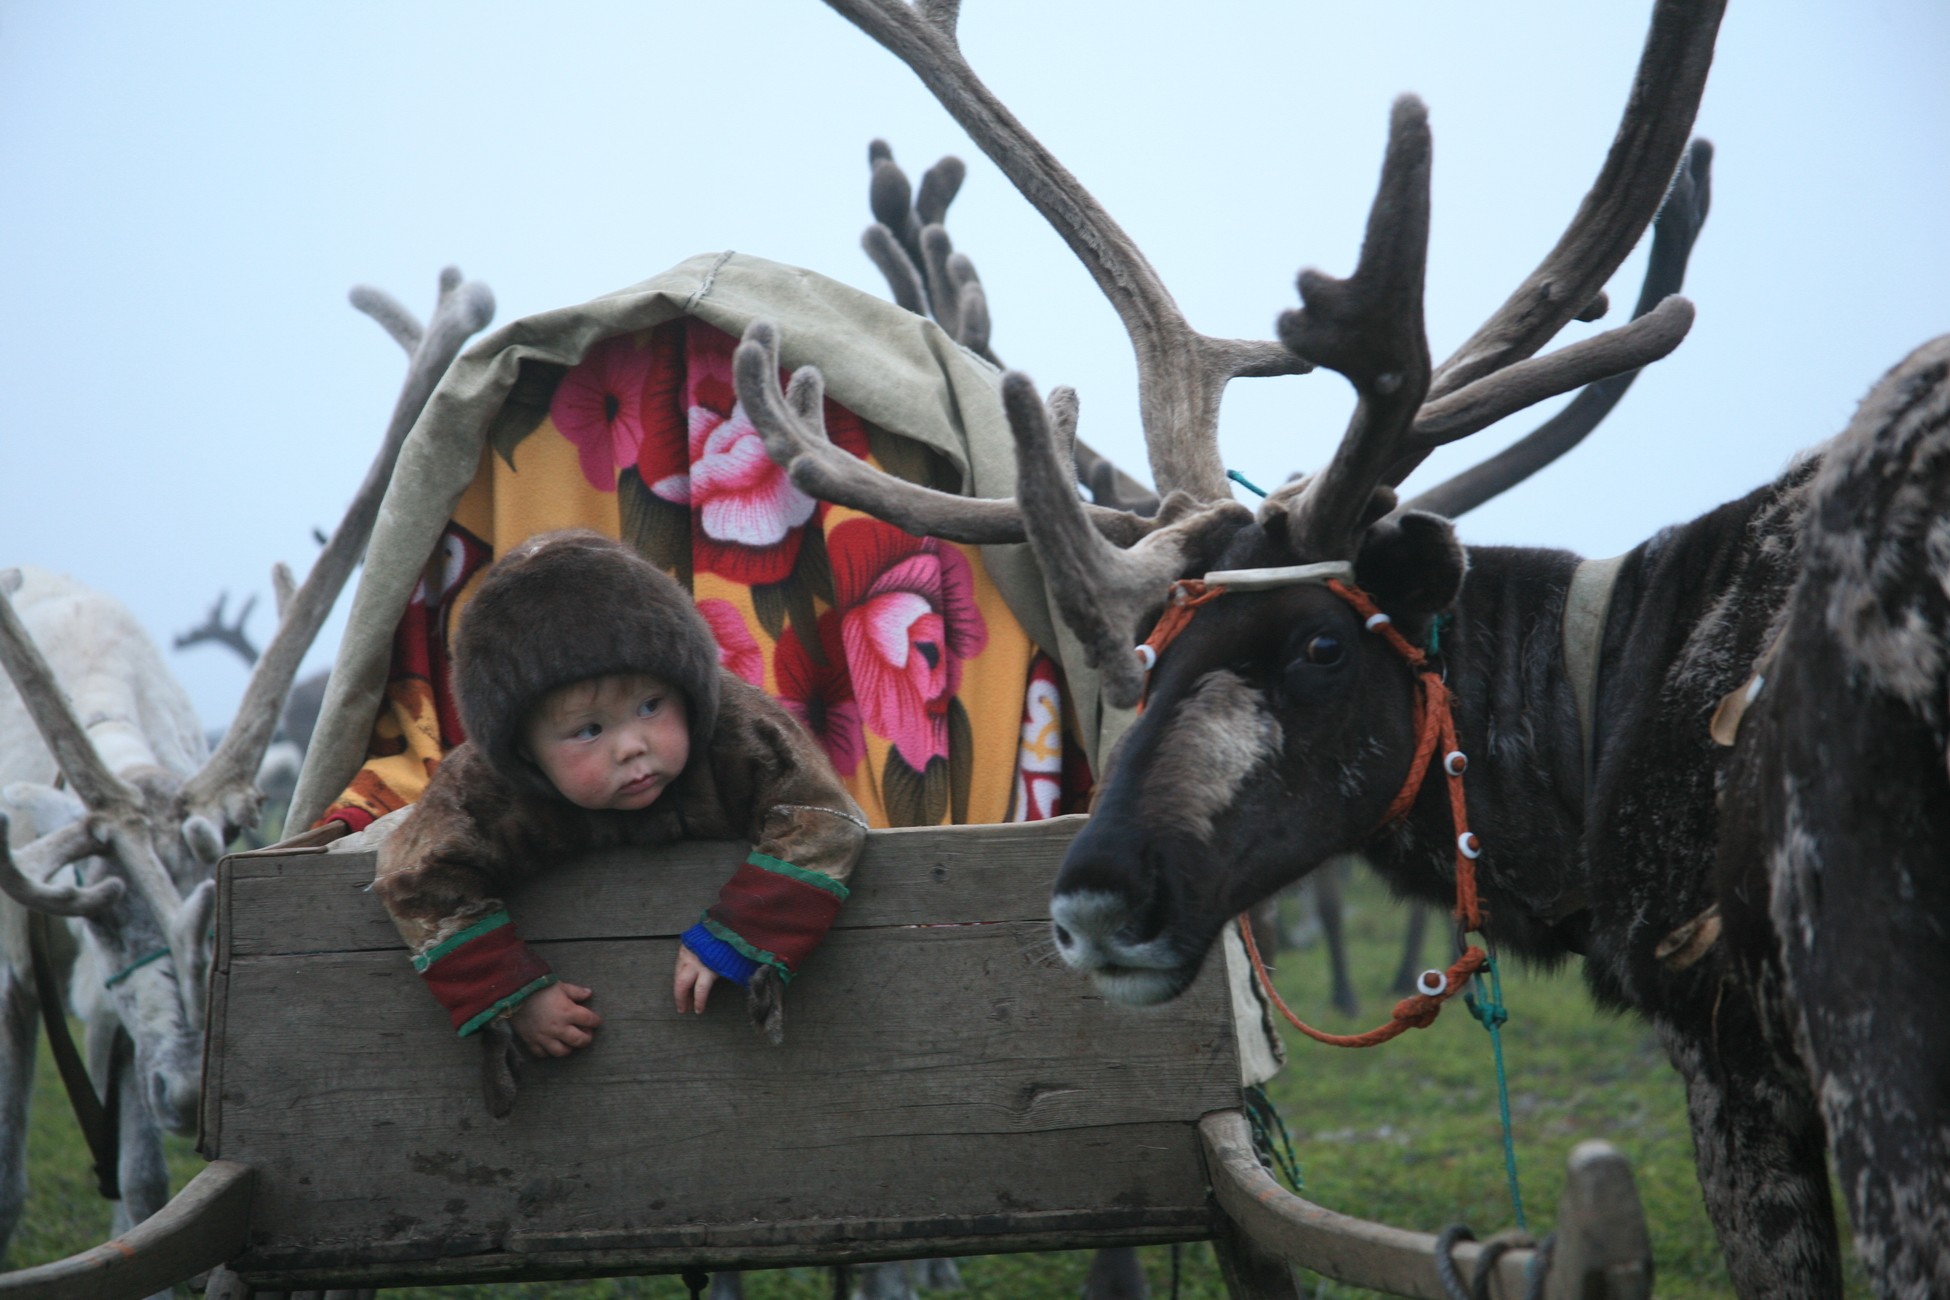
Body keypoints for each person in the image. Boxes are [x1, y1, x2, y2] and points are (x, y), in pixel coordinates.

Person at [372, 530, 867, 1057]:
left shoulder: (734, 725)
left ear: (686, 685)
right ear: (524, 750)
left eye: (651, 705)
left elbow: (826, 816)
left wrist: (740, 934)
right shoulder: (485, 786)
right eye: (588, 731)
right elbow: (414, 874)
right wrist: (510, 992)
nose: (632, 746)